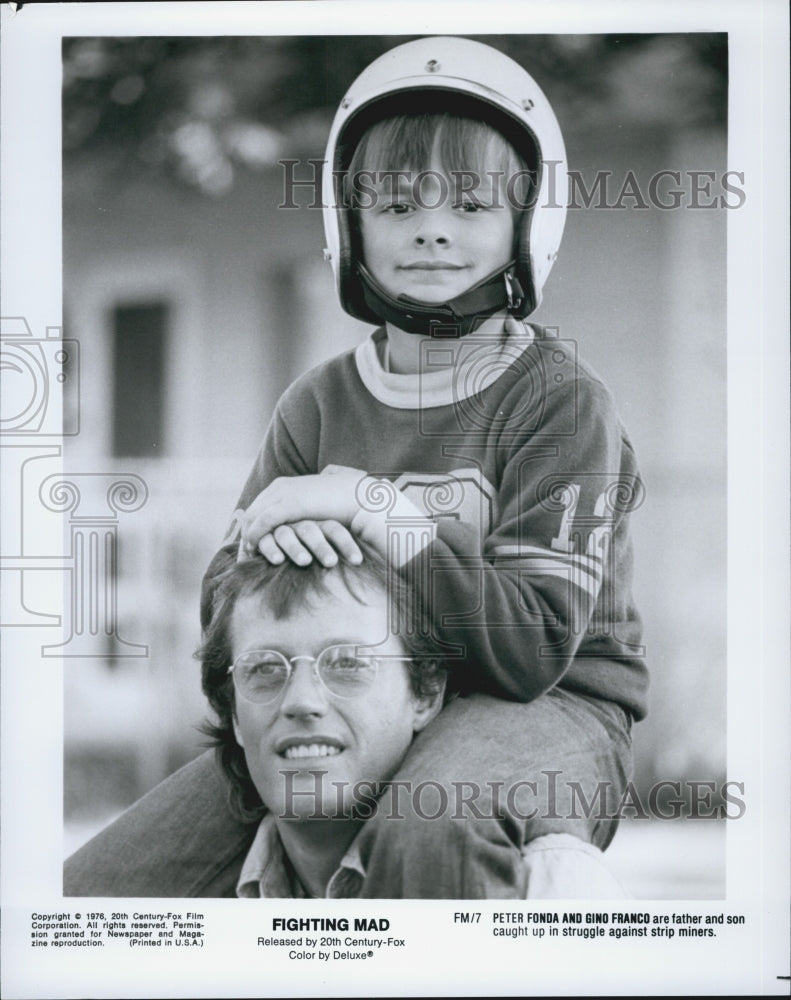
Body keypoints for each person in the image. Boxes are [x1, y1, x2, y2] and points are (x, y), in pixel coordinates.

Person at [201, 36, 646, 898]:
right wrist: (280, 564)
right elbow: (227, 605)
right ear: (348, 223)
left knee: (430, 820)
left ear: (526, 224)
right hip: (355, 699)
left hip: (551, 712)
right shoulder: (315, 404)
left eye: (472, 203)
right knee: (123, 880)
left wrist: (369, 510)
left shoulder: (561, 402)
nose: (432, 227)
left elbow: (529, 651)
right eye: (397, 203)